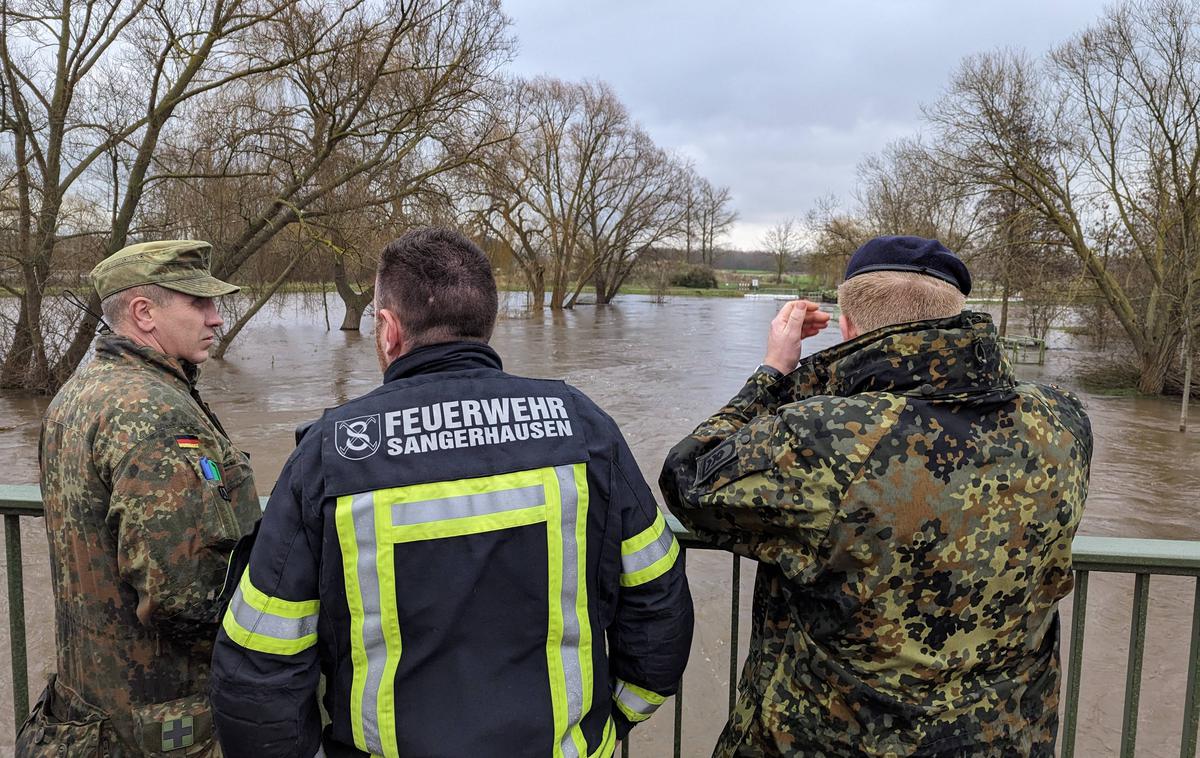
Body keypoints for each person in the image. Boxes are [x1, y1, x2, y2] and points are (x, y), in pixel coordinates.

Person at [209, 227, 694, 758]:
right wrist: (610, 722)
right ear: (487, 325)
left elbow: (261, 659)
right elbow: (658, 600)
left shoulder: (332, 454)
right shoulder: (581, 426)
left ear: (389, 330)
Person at [660, 236, 1092, 757]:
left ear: (846, 326)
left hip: (834, 740)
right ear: (960, 317)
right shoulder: (1062, 420)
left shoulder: (825, 436)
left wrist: (775, 372)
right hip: (1006, 738)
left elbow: (690, 477)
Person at [26, 240, 261, 756]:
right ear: (143, 313)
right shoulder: (153, 412)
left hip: (89, 709)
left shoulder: (78, 392)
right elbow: (182, 597)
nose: (217, 318)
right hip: (161, 722)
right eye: (199, 303)